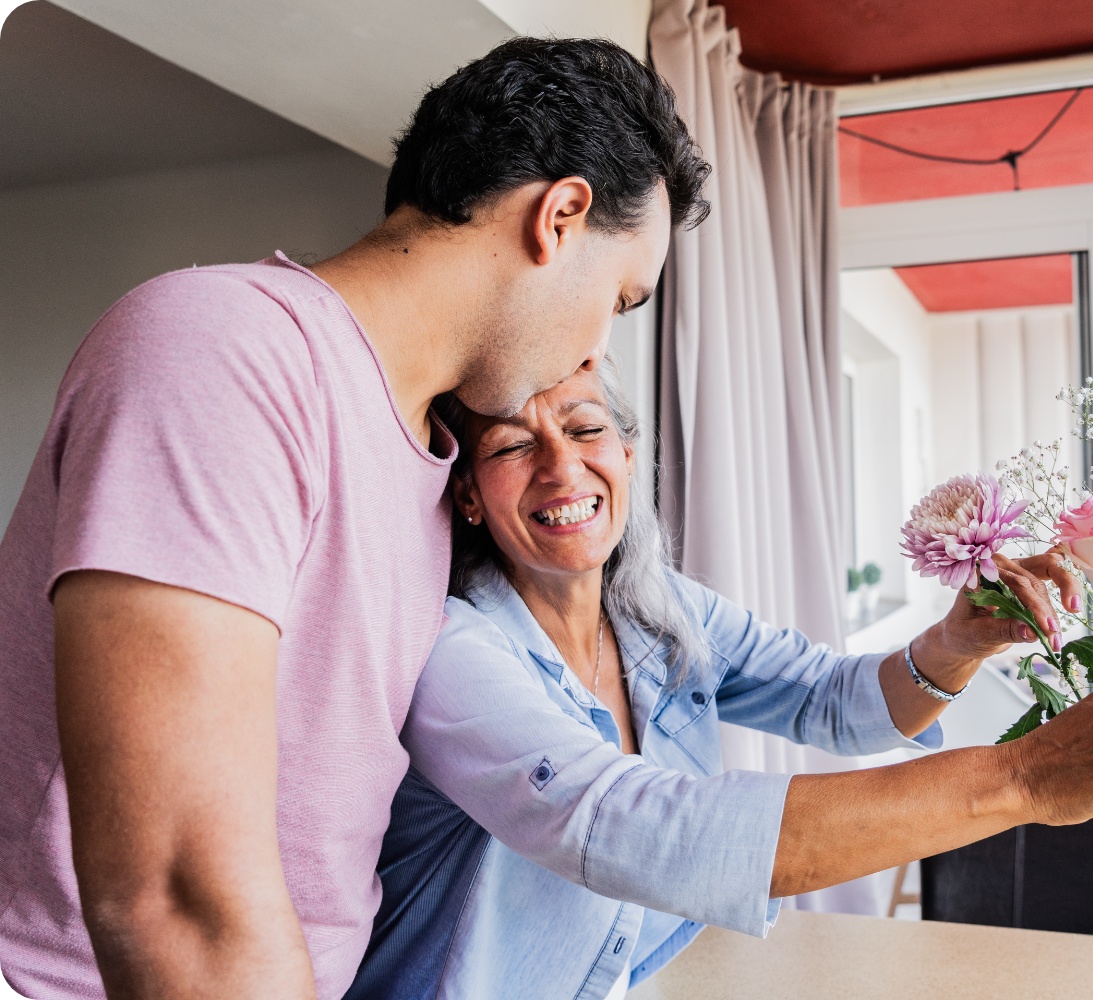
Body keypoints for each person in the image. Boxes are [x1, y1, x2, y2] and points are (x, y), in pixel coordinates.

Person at [0, 39, 707, 1000]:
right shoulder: (225, 350)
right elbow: (174, 898)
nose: (599, 345)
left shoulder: (428, 459)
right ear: (561, 217)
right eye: (621, 297)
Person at [346, 361, 1093, 999]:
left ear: (628, 453)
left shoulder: (656, 607)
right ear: (466, 493)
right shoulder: (452, 652)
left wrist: (954, 644)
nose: (562, 469)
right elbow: (639, 832)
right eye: (512, 445)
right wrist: (1028, 773)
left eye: (583, 429)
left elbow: (828, 698)